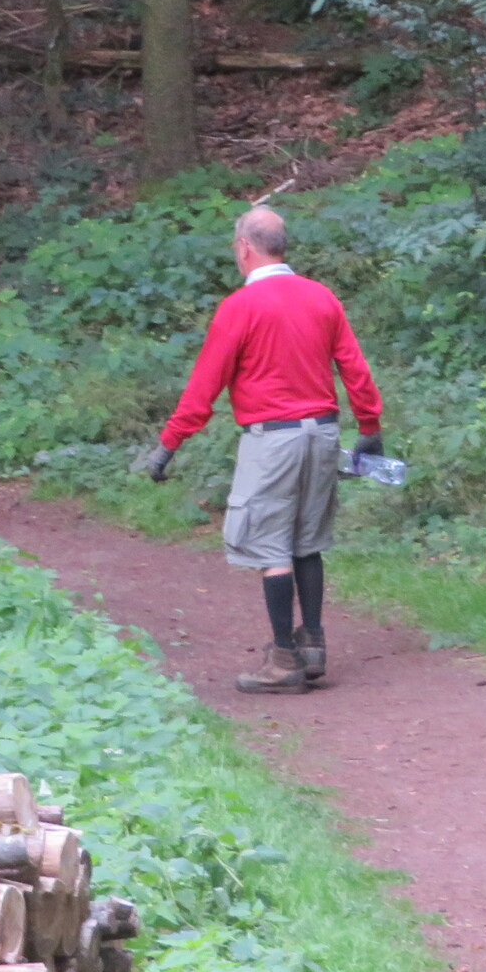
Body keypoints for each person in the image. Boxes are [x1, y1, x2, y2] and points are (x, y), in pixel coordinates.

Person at [136, 205, 385, 694]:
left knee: (271, 545)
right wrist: (369, 427)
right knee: (308, 541)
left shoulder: (240, 307)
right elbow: (354, 368)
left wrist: (169, 443)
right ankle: (313, 645)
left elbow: (205, 385)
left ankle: (283, 661)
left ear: (245, 247)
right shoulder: (321, 297)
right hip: (323, 434)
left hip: (273, 440)